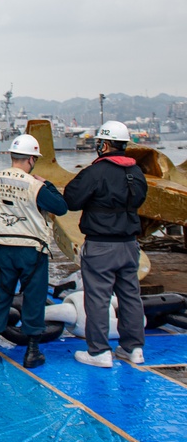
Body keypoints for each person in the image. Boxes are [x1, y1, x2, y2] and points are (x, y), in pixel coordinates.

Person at [0, 134, 68, 369]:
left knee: (0, 296)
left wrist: (0, 229)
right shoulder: (36, 185)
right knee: (34, 298)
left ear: (12, 156)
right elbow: (61, 208)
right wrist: (47, 184)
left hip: (4, 248)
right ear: (31, 160)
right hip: (32, 251)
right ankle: (32, 352)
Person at [63, 120, 148, 368]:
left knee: (98, 298)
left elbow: (71, 200)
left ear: (105, 144)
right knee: (131, 296)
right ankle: (134, 349)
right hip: (130, 244)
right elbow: (141, 199)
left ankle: (99, 351)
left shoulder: (95, 171)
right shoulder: (137, 172)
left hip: (101, 245)